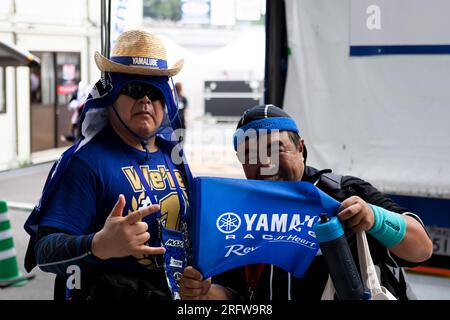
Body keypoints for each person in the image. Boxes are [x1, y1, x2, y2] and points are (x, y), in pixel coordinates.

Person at [179, 104, 433, 300]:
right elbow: (239, 295)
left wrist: (375, 218)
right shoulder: (239, 217)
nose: (266, 164)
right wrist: (205, 293)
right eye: (250, 154)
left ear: (300, 147)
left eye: (276, 149)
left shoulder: (344, 193)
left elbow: (421, 249)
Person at [24, 30, 193, 301]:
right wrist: (98, 245)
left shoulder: (172, 155)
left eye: (155, 91)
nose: (145, 100)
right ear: (110, 97)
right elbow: (45, 253)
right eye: (134, 89)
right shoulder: (86, 162)